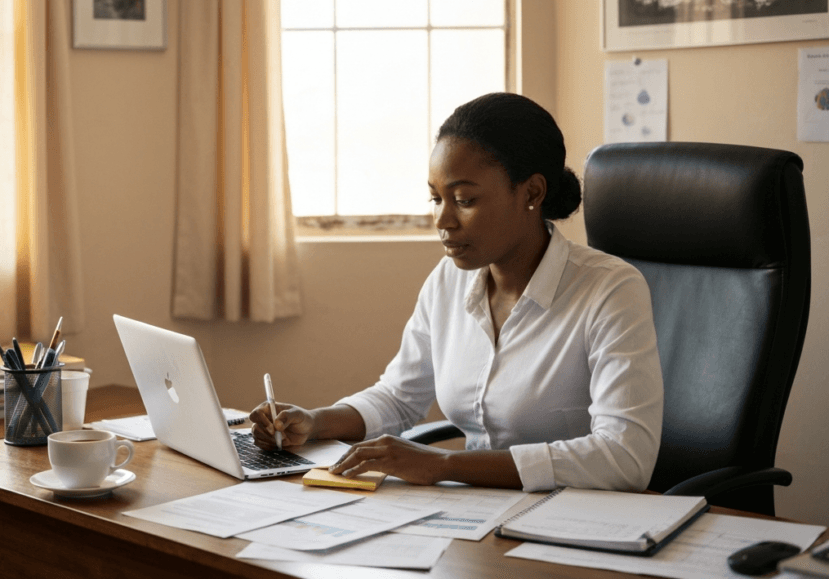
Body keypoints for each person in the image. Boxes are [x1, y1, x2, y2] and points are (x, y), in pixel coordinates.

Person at [250, 92, 663, 492]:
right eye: (436, 198)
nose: (443, 220)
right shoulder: (449, 280)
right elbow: (398, 397)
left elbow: (624, 457)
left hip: (574, 523)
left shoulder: (609, 290)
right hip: (474, 516)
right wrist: (314, 421)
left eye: (464, 199)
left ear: (532, 193)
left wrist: (444, 465)